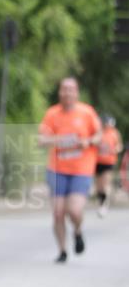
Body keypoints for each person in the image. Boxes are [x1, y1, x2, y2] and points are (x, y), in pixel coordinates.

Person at [37, 77, 102, 263]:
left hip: (81, 169)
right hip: (56, 169)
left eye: (71, 89)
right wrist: (59, 140)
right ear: (59, 92)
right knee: (58, 212)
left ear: (77, 93)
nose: (67, 93)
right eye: (64, 89)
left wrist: (88, 141)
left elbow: (99, 135)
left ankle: (78, 231)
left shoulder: (87, 112)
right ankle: (62, 251)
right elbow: (41, 140)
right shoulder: (52, 114)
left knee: (74, 210)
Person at [94, 114, 122, 216]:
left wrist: (115, 150)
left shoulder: (114, 133)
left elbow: (119, 146)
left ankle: (104, 205)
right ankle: (101, 203)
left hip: (109, 162)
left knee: (105, 184)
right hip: (97, 162)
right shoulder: (98, 132)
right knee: (99, 186)